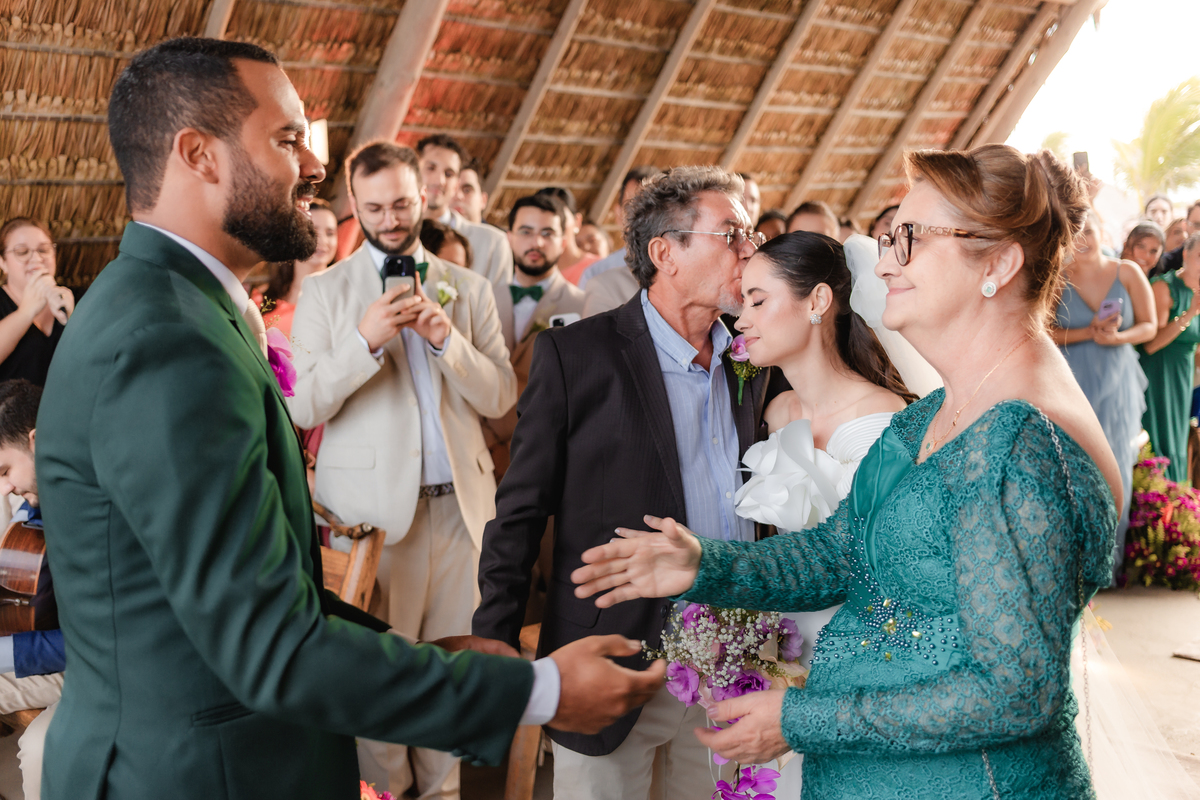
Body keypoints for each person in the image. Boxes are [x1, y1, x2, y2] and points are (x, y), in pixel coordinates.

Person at [36, 38, 662, 800]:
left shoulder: (177, 305)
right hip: (197, 774)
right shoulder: (165, 342)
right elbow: (269, 647)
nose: (312, 165)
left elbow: (261, 591)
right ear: (198, 154)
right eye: (287, 138)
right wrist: (541, 693)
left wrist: (457, 663)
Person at [574, 145, 1124, 800]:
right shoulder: (935, 417)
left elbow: (1011, 693)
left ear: (1000, 264)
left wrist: (800, 720)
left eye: (910, 239)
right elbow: (842, 551)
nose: (885, 261)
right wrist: (704, 566)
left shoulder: (1018, 442)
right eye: (891, 238)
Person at [474, 166, 780, 800]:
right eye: (731, 235)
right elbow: (520, 513)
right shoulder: (578, 356)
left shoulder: (759, 359)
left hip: (728, 662)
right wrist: (495, 650)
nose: (750, 252)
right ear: (664, 252)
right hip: (610, 657)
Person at [287, 140, 518, 799]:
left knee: (452, 668)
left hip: (461, 513)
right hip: (371, 522)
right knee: (378, 674)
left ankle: (443, 793)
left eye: (403, 204)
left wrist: (450, 342)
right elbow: (303, 402)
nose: (391, 218)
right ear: (355, 206)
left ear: (424, 199)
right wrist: (363, 342)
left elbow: (502, 398)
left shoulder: (466, 287)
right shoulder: (327, 292)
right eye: (377, 207)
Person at [729, 231, 913, 796]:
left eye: (757, 301)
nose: (740, 321)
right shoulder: (770, 410)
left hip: (868, 652)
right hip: (778, 645)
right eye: (741, 303)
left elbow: (899, 571)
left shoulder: (889, 418)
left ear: (816, 302)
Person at [1053, 213, 1155, 578]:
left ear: (1102, 231)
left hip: (1118, 382)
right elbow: (1043, 331)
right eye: (1075, 234)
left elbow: (1149, 324)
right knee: (1072, 466)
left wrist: (1117, 338)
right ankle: (1074, 559)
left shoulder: (1126, 272)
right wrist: (1088, 333)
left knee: (1115, 467)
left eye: (1090, 231)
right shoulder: (1057, 277)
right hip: (1071, 382)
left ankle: (1107, 561)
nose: (1083, 239)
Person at [483, 193, 583, 479]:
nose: (536, 243)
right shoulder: (481, 300)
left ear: (563, 241)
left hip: (549, 461)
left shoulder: (584, 306)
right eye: (526, 232)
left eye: (547, 233)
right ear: (509, 237)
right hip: (482, 458)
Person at [0, 379, 67, 800]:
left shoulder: (87, 512)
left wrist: (5, 652)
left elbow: (97, 636)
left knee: (38, 750)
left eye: (5, 470)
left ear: (37, 441)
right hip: (44, 643)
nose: (5, 487)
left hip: (85, 659)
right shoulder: (32, 510)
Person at [1138, 234, 1200, 484]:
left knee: (1177, 439)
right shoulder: (1165, 287)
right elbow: (1152, 344)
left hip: (1182, 379)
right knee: (1158, 438)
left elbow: (1194, 353)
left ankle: (1171, 512)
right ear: (1186, 254)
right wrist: (1191, 312)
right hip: (1158, 374)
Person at [417, 134, 513, 289]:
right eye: (431, 168)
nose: (439, 180)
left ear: (456, 184)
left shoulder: (491, 244)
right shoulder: (393, 233)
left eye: (449, 174)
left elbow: (497, 308)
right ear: (414, 172)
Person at [0, 219, 75, 386]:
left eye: (43, 250)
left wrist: (73, 320)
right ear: (2, 262)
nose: (36, 258)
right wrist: (26, 313)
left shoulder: (72, 298)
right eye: (22, 251)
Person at [580, 167, 663, 317]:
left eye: (650, 208)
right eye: (631, 206)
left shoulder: (683, 266)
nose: (640, 216)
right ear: (618, 214)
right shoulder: (596, 274)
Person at [254, 197, 338, 337]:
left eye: (330, 233)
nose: (323, 241)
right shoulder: (261, 298)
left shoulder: (344, 299)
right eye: (313, 232)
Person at [536, 186, 598, 285]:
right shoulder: (528, 271)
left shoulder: (598, 268)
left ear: (577, 221)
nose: (551, 225)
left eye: (560, 216)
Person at [451, 160, 488, 225]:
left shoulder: (496, 235)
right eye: (452, 189)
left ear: (483, 200)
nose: (458, 196)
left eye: (467, 190)